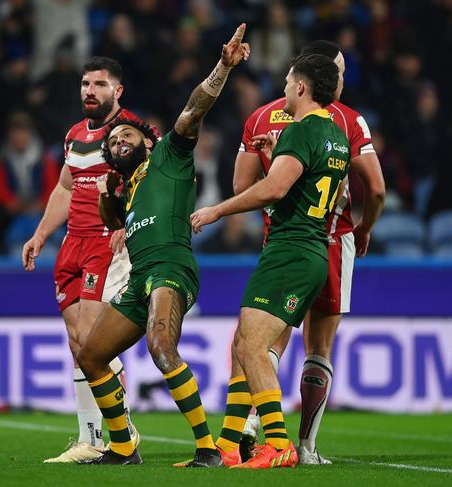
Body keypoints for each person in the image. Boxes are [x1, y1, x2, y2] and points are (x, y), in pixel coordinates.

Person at [75, 24, 250, 466]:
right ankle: (122, 447)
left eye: (126, 137)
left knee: (161, 348)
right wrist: (106, 196)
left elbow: (193, 110)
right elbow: (115, 222)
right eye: (112, 142)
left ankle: (208, 449)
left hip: (172, 267)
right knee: (92, 355)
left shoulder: (169, 156)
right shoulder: (127, 189)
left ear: (147, 142)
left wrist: (222, 69)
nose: (118, 143)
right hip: (139, 277)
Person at [191, 52, 350, 469]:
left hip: (290, 249)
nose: (282, 88)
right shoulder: (334, 133)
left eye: (286, 81)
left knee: (254, 346)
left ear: (301, 87)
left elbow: (274, 189)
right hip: (312, 248)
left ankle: (277, 443)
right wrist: (280, 149)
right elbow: (308, 177)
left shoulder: (298, 129)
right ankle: (228, 444)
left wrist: (216, 211)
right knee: (245, 342)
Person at [230, 40, 386, 465]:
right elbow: (375, 187)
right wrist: (365, 226)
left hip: (282, 238)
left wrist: (271, 169)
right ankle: (306, 447)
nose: (340, 79)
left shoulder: (263, 116)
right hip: (333, 239)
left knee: (261, 340)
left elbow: (243, 189)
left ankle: (249, 426)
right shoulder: (348, 122)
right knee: (319, 348)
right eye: (338, 71)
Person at [22, 57, 146, 463]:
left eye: (99, 84)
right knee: (79, 344)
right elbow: (64, 187)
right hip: (71, 242)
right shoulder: (75, 135)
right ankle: (96, 435)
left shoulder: (133, 133)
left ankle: (108, 436)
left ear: (117, 91)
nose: (90, 91)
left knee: (94, 341)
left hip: (105, 241)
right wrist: (41, 234)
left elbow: (157, 181)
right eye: (85, 83)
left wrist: (131, 223)